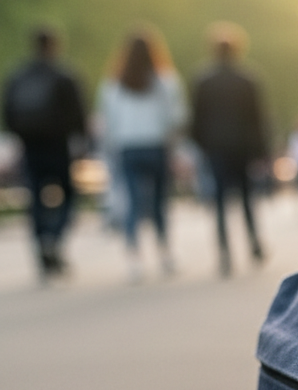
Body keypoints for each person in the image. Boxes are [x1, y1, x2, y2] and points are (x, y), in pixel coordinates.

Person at [98, 30, 186, 283]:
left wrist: (110, 149)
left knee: (133, 203)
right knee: (159, 202)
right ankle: (165, 252)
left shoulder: (114, 84)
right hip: (156, 146)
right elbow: (176, 118)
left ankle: (134, 257)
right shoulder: (165, 81)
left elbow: (108, 121)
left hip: (127, 147)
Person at [2, 26, 87, 278]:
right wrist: (81, 143)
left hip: (30, 146)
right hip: (58, 146)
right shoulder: (64, 75)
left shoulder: (18, 76)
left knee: (36, 197)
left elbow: (8, 113)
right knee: (70, 195)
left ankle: (41, 242)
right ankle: (55, 237)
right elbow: (78, 114)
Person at [190, 23, 269, 276]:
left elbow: (196, 118)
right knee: (246, 197)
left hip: (216, 148)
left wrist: (202, 145)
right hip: (242, 147)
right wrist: (261, 151)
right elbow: (258, 119)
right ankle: (254, 241)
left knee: (221, 200)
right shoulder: (248, 80)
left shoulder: (203, 80)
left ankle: (224, 251)